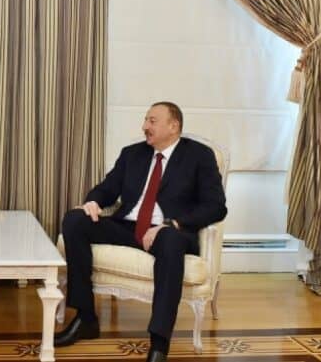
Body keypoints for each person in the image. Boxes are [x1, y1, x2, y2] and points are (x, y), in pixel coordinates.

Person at [55, 102, 227, 362]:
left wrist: (174, 224)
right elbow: (107, 188)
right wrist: (93, 202)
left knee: (170, 240)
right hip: (127, 227)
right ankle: (85, 318)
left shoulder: (199, 156)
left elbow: (216, 206)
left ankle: (159, 343)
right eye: (145, 120)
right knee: (75, 219)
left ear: (173, 126)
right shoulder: (132, 154)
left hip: (167, 231)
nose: (144, 126)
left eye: (152, 121)